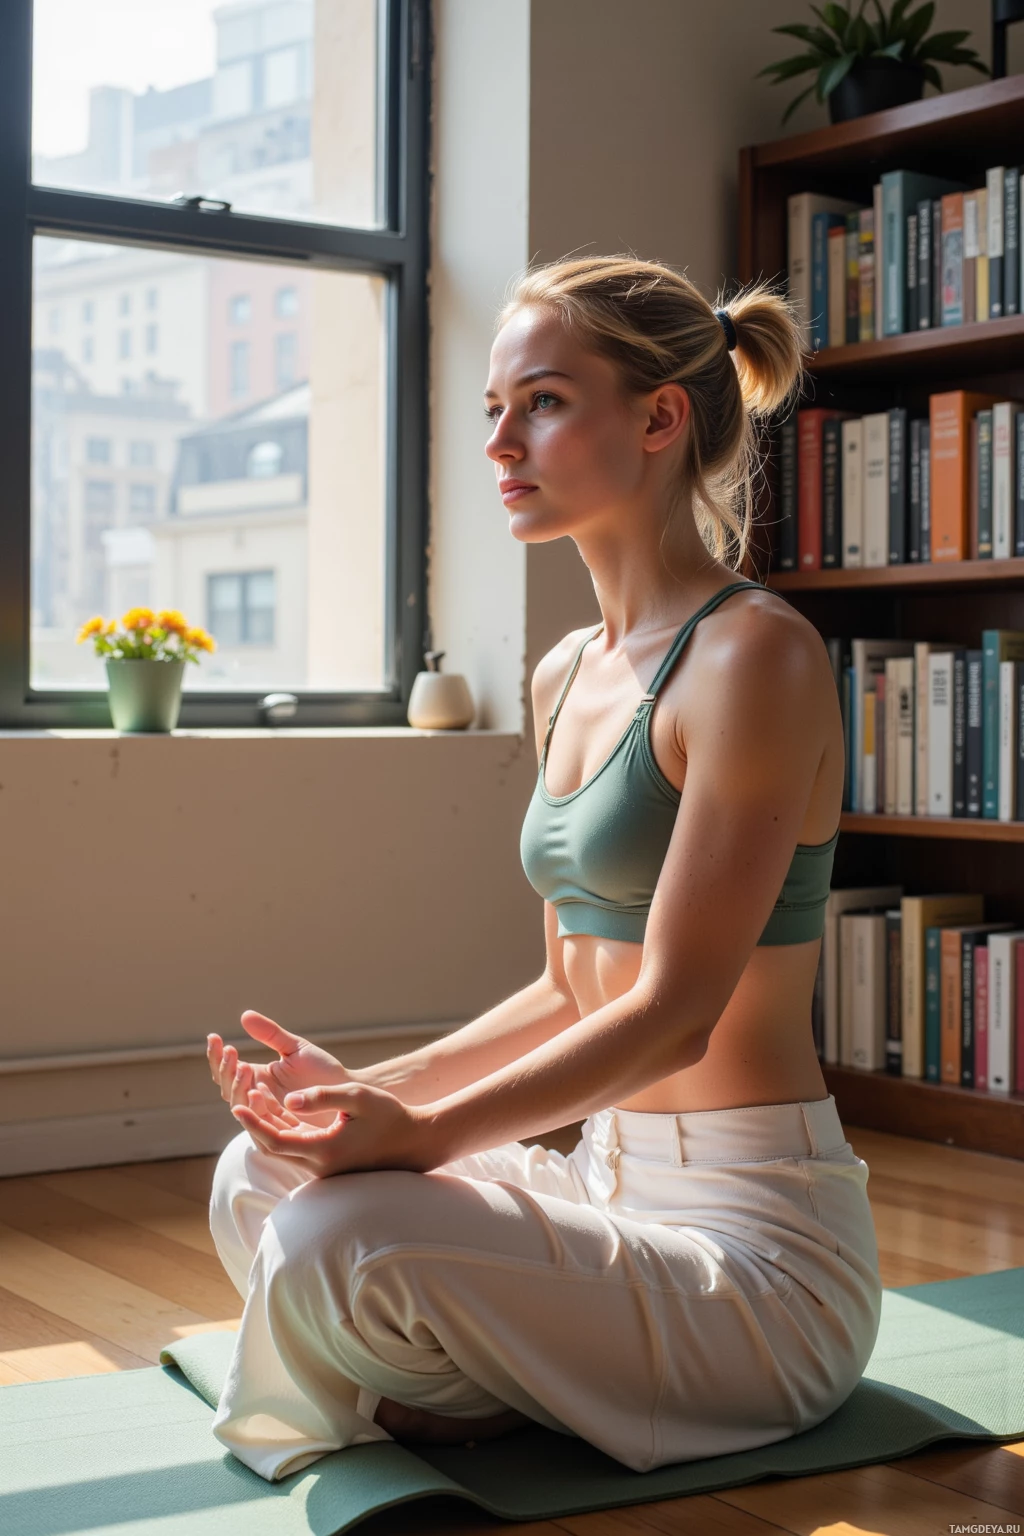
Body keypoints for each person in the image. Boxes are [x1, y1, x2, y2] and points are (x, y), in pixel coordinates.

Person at [205, 254, 882, 1484]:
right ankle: (515, 1385)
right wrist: (363, 1096)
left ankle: (493, 1385)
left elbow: (672, 1015)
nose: (500, 443)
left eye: (545, 403)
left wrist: (415, 1138)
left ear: (660, 418)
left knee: (330, 1245)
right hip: (605, 1187)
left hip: (756, 1250)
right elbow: (573, 988)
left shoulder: (755, 660)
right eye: (493, 411)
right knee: (260, 1170)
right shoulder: (565, 669)